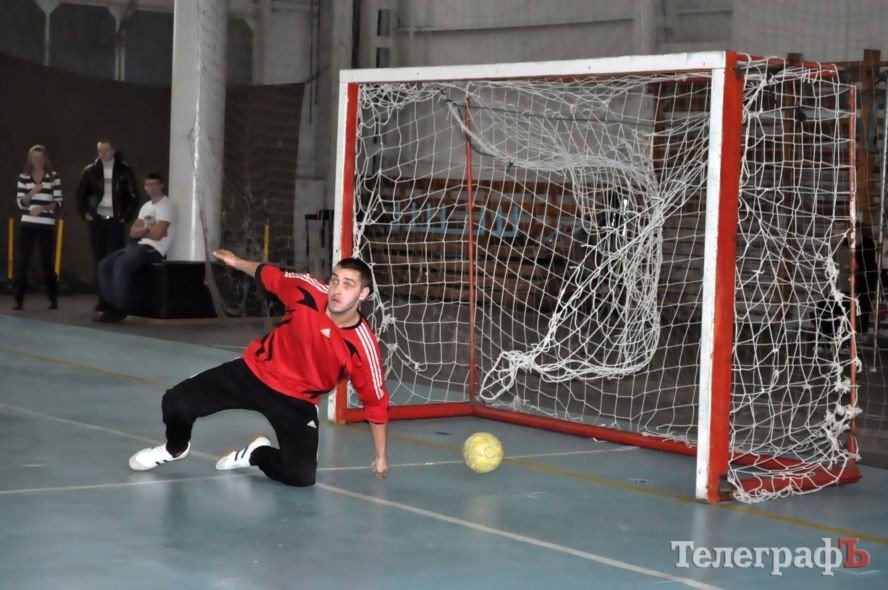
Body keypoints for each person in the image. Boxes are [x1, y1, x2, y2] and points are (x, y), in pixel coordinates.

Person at [128, 253, 390, 486]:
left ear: (363, 294)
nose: (337, 289)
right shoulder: (307, 290)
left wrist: (380, 455)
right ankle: (175, 448)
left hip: (297, 401)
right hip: (254, 373)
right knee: (176, 401)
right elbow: (270, 275)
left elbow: (376, 403)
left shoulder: (362, 347)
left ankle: (255, 454)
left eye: (348, 284)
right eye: (334, 279)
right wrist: (237, 262)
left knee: (300, 476)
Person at [94, 173, 175, 323]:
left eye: (155, 185)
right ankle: (110, 304)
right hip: (139, 245)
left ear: (161, 186)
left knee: (121, 264)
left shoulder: (166, 206)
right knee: (104, 265)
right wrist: (147, 231)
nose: (151, 188)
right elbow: (133, 232)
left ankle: (119, 308)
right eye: (148, 185)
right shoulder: (146, 207)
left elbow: (158, 235)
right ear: (145, 187)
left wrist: (144, 231)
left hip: (154, 249)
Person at [75, 139, 139, 312]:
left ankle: (115, 300)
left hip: (116, 220)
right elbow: (80, 194)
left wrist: (125, 216)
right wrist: (85, 213)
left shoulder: (124, 170)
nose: (103, 153)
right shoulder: (89, 171)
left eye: (106, 150)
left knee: (115, 259)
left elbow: (133, 195)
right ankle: (102, 299)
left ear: (113, 151)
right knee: (99, 260)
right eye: (100, 150)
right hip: (97, 220)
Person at [13, 145, 63, 310]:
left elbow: (58, 203)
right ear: (30, 159)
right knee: (22, 262)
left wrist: (42, 208)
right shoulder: (23, 177)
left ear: (45, 158)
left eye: (41, 157)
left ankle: (53, 298)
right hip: (27, 224)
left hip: (46, 225)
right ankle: (18, 300)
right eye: (35, 157)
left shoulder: (53, 177)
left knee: (46, 262)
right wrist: (32, 192)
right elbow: (20, 203)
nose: (38, 161)